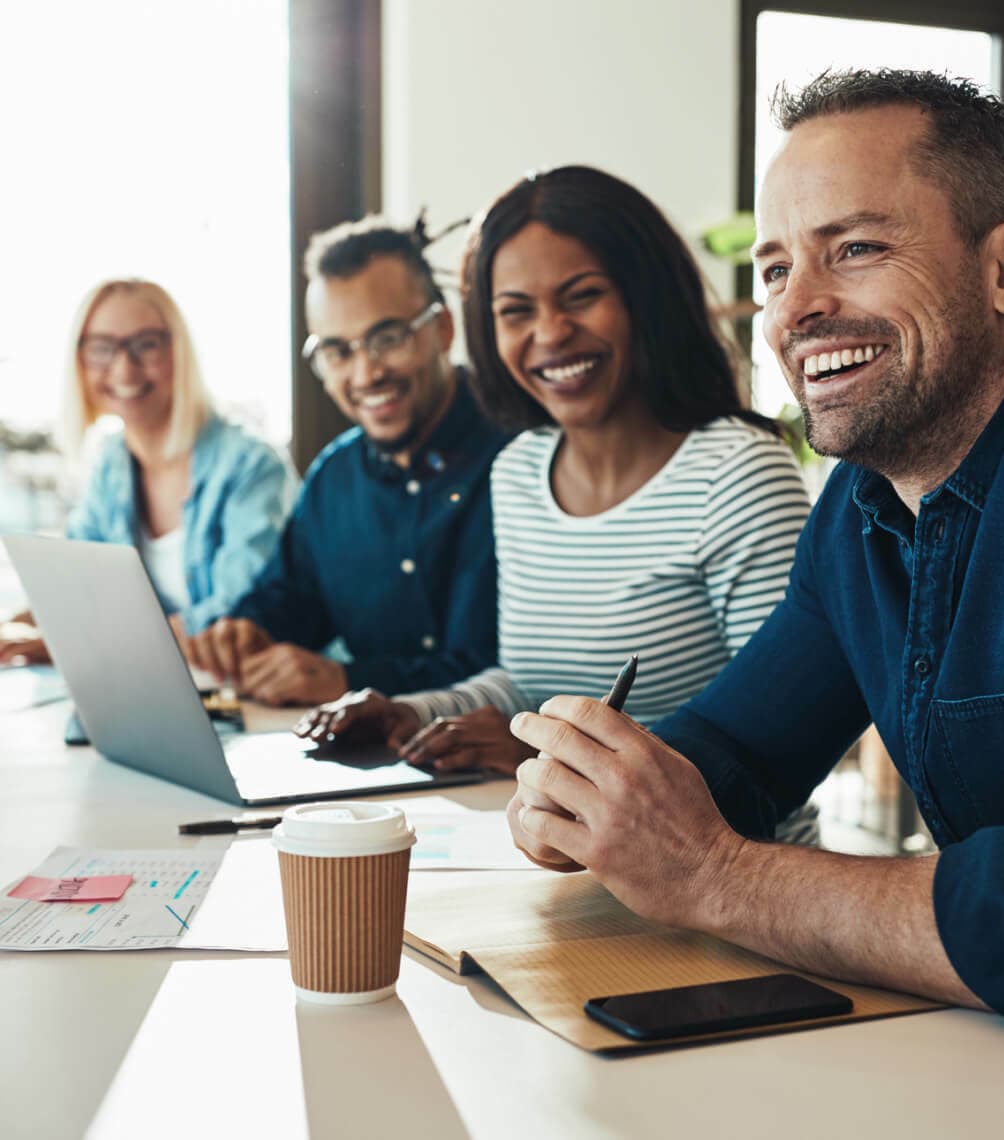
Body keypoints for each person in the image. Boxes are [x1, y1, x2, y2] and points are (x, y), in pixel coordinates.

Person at [505, 70, 1004, 1037]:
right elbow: (739, 751)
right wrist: (598, 791)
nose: (795, 310)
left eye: (856, 247)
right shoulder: (862, 501)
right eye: (772, 270)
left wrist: (715, 875)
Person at [297, 166, 818, 845]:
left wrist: (551, 763)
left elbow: (787, 737)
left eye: (583, 296)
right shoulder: (517, 471)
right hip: (565, 873)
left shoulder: (737, 473)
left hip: (729, 892)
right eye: (517, 311)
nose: (550, 332)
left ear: (644, 299)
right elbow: (524, 686)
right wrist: (409, 712)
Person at [187, 216, 509, 706]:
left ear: (442, 328)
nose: (366, 373)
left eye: (388, 339)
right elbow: (289, 601)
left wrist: (349, 680)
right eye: (337, 351)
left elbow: (508, 670)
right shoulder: (333, 479)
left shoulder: (522, 460)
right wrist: (245, 632)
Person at [0, 278, 293, 666]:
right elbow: (73, 587)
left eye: (146, 345)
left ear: (179, 351)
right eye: (102, 348)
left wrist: (71, 643)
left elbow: (234, 618)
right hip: (158, 686)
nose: (124, 368)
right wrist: (17, 626)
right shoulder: (111, 465)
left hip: (255, 693)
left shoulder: (251, 466)